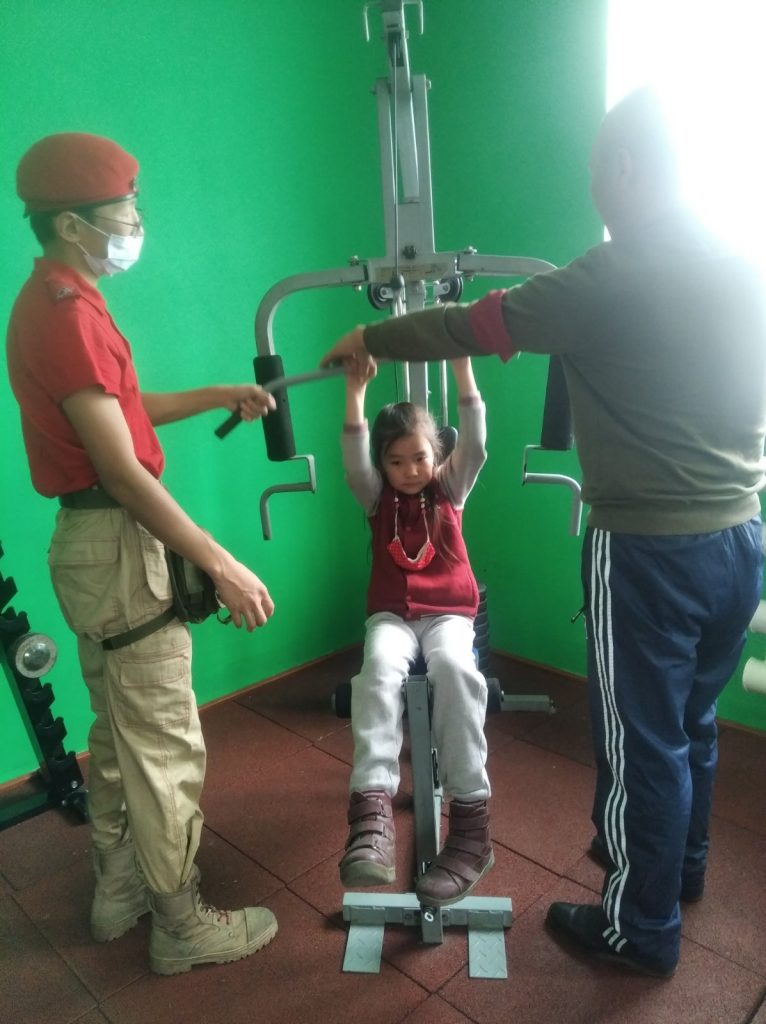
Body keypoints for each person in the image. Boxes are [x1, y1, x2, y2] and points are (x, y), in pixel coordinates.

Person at [320, 87, 766, 976]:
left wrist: (370, 333)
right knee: (692, 725)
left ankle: (639, 929)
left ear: (624, 168)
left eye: (596, 170)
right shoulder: (741, 264)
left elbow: (471, 324)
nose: (593, 188)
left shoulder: (613, 272)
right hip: (742, 536)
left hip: (647, 547)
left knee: (643, 746)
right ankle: (679, 871)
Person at [6, 132, 279, 975]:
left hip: (93, 548)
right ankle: (181, 924)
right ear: (71, 223)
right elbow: (122, 472)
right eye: (124, 211)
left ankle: (118, 890)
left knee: (120, 734)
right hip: (118, 543)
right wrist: (222, 563)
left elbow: (119, 411)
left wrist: (215, 394)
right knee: (164, 742)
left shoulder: (59, 299)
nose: (135, 224)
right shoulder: (67, 315)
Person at [338, 354, 494, 907]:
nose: (409, 470)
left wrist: (463, 369)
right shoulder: (375, 498)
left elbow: (476, 443)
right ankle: (372, 811)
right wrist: (355, 391)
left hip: (448, 613)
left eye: (420, 457)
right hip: (392, 617)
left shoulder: (450, 489)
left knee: (456, 670)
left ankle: (472, 824)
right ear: (382, 465)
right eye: (396, 461)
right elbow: (353, 456)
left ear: (438, 456)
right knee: (377, 672)